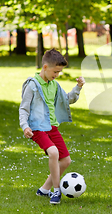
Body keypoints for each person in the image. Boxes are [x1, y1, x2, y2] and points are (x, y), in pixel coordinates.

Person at [19, 49, 85, 205]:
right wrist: (25, 126)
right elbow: (24, 108)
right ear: (45, 67)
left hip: (51, 128)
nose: (57, 75)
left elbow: (67, 99)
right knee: (53, 152)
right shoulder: (32, 85)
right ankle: (57, 191)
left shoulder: (54, 85)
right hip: (37, 128)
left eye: (59, 72)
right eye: (55, 71)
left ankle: (44, 189)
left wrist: (78, 87)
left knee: (66, 161)